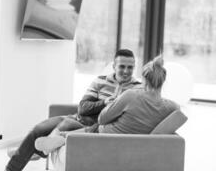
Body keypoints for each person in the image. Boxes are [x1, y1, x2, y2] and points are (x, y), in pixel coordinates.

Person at [5, 49, 142, 171]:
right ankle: (12, 167)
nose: (126, 71)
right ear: (114, 66)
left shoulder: (137, 89)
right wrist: (104, 102)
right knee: (38, 129)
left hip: (91, 126)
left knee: (64, 126)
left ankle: (33, 151)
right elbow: (82, 107)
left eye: (130, 67)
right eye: (122, 66)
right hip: (76, 117)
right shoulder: (100, 81)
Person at [34, 55, 180, 154]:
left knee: (93, 127)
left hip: (106, 136)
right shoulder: (173, 107)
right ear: (163, 81)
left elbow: (102, 119)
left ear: (144, 79)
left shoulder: (131, 95)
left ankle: (61, 138)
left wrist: (113, 103)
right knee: (80, 126)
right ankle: (59, 138)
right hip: (135, 144)